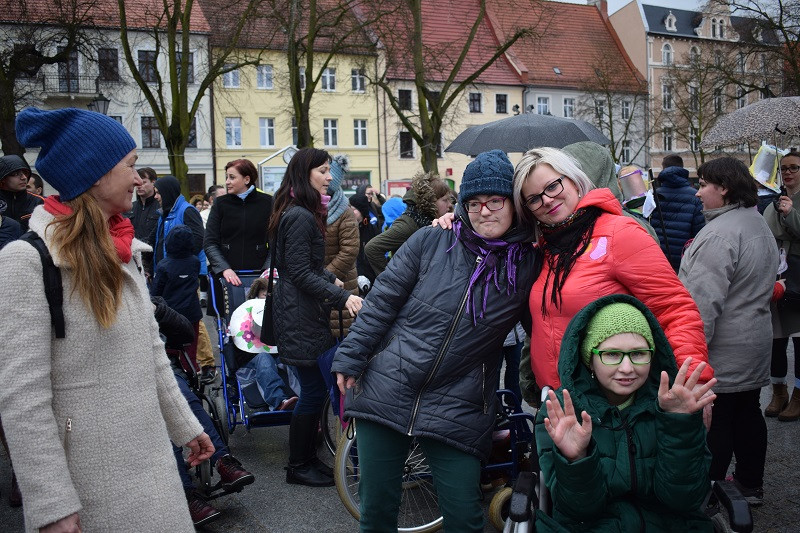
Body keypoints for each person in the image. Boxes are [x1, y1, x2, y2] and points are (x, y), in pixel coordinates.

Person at [0, 107, 212, 532]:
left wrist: (187, 427)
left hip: (153, 465)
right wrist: (52, 505)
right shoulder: (25, 261)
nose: (138, 178)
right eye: (130, 165)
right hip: (89, 481)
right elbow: (22, 398)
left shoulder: (124, 250)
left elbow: (151, 353)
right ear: (95, 174)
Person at [332, 150, 540, 532]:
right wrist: (351, 355)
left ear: (514, 204)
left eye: (496, 200)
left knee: (464, 519)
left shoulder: (527, 264)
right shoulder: (431, 239)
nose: (484, 211)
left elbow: (545, 330)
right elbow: (381, 302)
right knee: (376, 515)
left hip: (459, 403)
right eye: (474, 202)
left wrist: (547, 386)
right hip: (387, 386)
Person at [510, 146, 711, 395]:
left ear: (574, 180)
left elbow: (674, 309)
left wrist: (691, 381)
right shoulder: (546, 248)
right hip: (557, 400)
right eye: (534, 199)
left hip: (611, 403)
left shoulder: (619, 233)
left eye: (552, 186)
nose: (547, 200)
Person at [536, 295, 715, 532]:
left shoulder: (673, 405)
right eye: (612, 354)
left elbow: (684, 500)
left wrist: (679, 427)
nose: (627, 368)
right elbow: (579, 511)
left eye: (639, 353)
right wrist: (577, 460)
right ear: (589, 359)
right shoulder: (561, 412)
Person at [679, 156, 779, 506]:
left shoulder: (720, 233)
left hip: (723, 347)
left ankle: (711, 491)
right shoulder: (755, 221)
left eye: (703, 184)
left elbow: (702, 304)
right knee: (747, 412)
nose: (697, 193)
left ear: (723, 188)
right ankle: (750, 485)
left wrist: (691, 354)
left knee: (717, 419)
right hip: (753, 340)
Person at [268, 148, 363, 488]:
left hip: (302, 313)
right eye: (322, 171)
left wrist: (330, 279)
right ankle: (298, 465)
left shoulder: (299, 211)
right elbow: (298, 273)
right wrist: (342, 295)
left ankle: (306, 460)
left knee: (314, 389)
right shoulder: (300, 216)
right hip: (301, 316)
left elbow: (303, 267)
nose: (328, 177)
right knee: (311, 391)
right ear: (304, 174)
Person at [152, 295, 255, 527]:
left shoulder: (150, 301)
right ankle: (186, 495)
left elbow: (185, 334)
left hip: (164, 370)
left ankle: (224, 462)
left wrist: (156, 309)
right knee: (157, 421)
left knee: (185, 398)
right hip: (128, 382)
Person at [151, 175, 216, 382]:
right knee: (180, 321)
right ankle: (183, 363)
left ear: (167, 192)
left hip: (183, 274)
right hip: (168, 270)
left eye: (158, 192)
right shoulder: (166, 211)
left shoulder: (186, 210)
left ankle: (206, 363)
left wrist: (181, 262)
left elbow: (198, 238)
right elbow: (160, 240)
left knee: (191, 321)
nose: (156, 196)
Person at [763, 151, 800, 421]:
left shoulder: (788, 204)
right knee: (776, 338)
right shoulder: (773, 201)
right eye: (783, 168)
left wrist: (791, 214)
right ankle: (779, 391)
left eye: (794, 167)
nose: (787, 172)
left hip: (799, 276)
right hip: (778, 275)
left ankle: (798, 394)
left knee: (799, 338)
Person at [364, 171, 452, 276]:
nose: (450, 205)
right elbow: (372, 248)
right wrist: (391, 279)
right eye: (445, 200)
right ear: (430, 201)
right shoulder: (409, 224)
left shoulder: (430, 221)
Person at [204, 159, 273, 288]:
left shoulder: (268, 203)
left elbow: (276, 243)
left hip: (260, 277)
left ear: (246, 179)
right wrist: (224, 268)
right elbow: (210, 242)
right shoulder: (220, 204)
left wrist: (267, 271)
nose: (227, 182)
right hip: (225, 277)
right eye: (226, 177)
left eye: (232, 177)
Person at [150, 224, 204, 368]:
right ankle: (191, 374)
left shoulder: (163, 265)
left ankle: (176, 376)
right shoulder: (195, 262)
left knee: (170, 349)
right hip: (192, 312)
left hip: (171, 315)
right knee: (190, 348)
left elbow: (156, 292)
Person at [325, 154, 360, 339]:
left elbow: (350, 250)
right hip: (317, 286)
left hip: (340, 285)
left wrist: (323, 278)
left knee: (339, 338)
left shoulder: (344, 211)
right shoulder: (308, 207)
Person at [653, 154, 705, 272]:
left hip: (658, 257)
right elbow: (698, 232)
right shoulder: (695, 196)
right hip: (684, 258)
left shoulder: (654, 195)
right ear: (682, 168)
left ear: (663, 169)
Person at [126, 167, 159, 278]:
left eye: (143, 182)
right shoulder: (130, 207)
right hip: (133, 262)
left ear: (153, 183)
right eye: (137, 183)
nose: (139, 185)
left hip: (153, 264)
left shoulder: (160, 208)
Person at [0, 154, 42, 231]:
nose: (24, 177)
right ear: (3, 178)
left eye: (25, 173)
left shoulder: (39, 202)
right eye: (16, 174)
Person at [349, 191, 380, 286]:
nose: (350, 211)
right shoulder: (346, 228)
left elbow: (374, 256)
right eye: (349, 208)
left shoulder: (372, 229)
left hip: (368, 278)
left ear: (361, 211)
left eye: (353, 209)